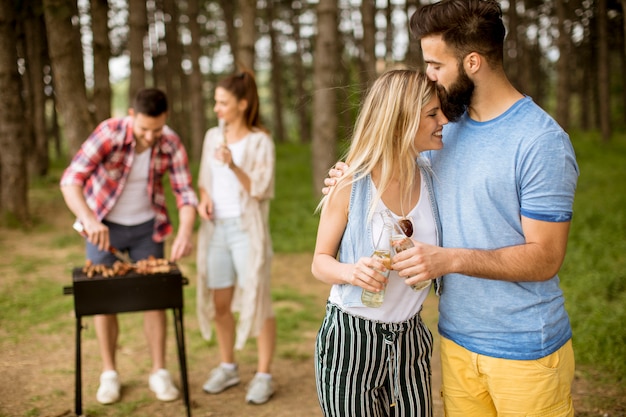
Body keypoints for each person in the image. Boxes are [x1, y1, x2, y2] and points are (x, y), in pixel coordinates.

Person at [325, 1, 580, 416]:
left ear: (473, 62)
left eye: (435, 65)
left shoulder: (540, 141)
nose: (428, 76)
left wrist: (449, 260)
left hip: (524, 349)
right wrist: (348, 177)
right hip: (455, 343)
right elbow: (392, 169)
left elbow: (546, 257)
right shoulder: (443, 129)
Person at [312, 69, 449, 416]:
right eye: (432, 113)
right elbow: (320, 261)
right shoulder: (350, 184)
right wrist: (351, 271)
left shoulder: (435, 180)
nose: (443, 120)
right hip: (350, 341)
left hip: (411, 339)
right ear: (402, 120)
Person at [60, 88, 198, 404]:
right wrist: (88, 220)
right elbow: (71, 180)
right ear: (131, 115)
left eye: (157, 129)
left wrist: (185, 233)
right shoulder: (108, 133)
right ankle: (109, 373)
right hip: (103, 228)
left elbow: (185, 193)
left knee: (154, 298)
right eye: (144, 129)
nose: (150, 136)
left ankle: (159, 371)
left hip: (147, 229)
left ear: (165, 120)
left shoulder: (171, 142)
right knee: (102, 299)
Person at [195, 69, 277, 405]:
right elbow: (203, 179)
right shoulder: (212, 137)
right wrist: (203, 199)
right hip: (216, 230)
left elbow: (260, 189)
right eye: (215, 102)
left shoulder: (260, 141)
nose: (217, 108)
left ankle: (264, 375)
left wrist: (232, 164)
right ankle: (228, 366)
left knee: (257, 299)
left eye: (223, 102)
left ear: (242, 104)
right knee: (220, 302)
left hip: (247, 232)